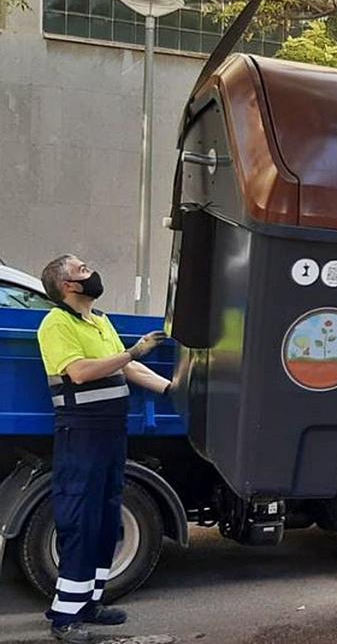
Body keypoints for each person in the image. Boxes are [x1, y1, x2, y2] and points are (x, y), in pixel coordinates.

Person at [36, 255, 172, 644]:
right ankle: (64, 618)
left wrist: (170, 387)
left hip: (111, 431)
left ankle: (90, 602)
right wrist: (133, 351)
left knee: (107, 515)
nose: (90, 270)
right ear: (68, 286)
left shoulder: (100, 321)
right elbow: (78, 372)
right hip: (82, 432)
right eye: (81, 269)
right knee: (79, 516)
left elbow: (126, 369)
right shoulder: (56, 324)